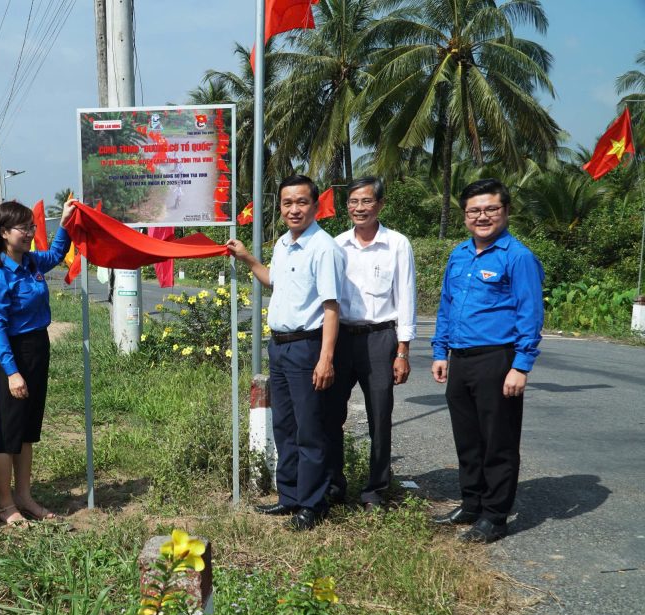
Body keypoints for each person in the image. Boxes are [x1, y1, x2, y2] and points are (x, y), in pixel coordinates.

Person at [227, 175, 345, 531]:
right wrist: (248, 258)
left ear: (314, 206)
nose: (294, 209)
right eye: (287, 203)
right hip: (278, 346)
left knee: (310, 428)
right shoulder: (282, 243)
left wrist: (325, 358)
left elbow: (331, 307)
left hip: (307, 346)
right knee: (285, 426)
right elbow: (273, 280)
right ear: (280, 208)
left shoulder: (323, 247)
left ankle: (313, 504)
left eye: (301, 202)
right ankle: (289, 496)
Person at [431, 179, 544, 543]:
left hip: (498, 358)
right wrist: (439, 350)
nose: (483, 216)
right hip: (460, 358)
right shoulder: (459, 254)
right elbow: (447, 305)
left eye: (491, 209)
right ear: (465, 216)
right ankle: (472, 502)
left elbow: (530, 313)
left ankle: (495, 516)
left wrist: (521, 365)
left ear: (506, 211)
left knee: (499, 440)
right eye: (474, 210)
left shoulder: (518, 256)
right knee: (468, 438)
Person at [324, 177, 417, 511]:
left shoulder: (397, 244)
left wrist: (402, 351)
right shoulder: (336, 244)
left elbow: (406, 297)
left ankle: (375, 489)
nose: (358, 208)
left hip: (380, 338)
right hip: (342, 337)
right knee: (330, 413)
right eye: (352, 202)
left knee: (380, 415)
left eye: (365, 202)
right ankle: (334, 484)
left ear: (380, 204)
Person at [0, 199, 75, 525]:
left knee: (27, 431)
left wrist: (63, 221)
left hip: (39, 348)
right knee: (8, 433)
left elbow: (58, 254)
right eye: (24, 228)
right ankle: (4, 504)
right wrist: (12, 372)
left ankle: (23, 496)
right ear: (4, 232)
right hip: (16, 354)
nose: (30, 233)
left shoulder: (33, 263)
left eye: (32, 227)